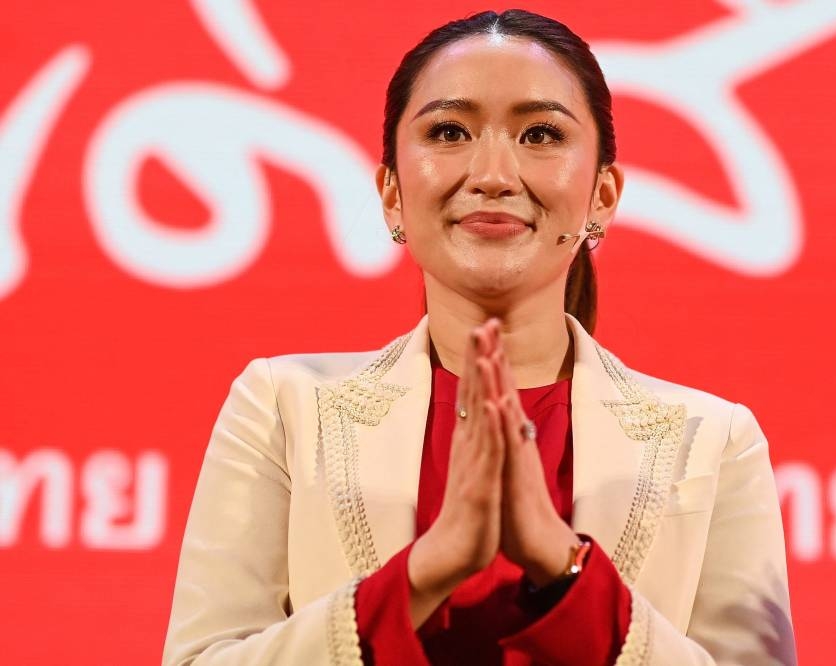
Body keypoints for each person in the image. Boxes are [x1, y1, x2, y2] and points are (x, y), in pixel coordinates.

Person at [162, 9, 797, 665]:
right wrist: (422, 573)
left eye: (541, 134)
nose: (493, 173)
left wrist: (564, 567)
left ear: (603, 194)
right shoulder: (284, 408)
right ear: (391, 194)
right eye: (449, 131)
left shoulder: (712, 440)